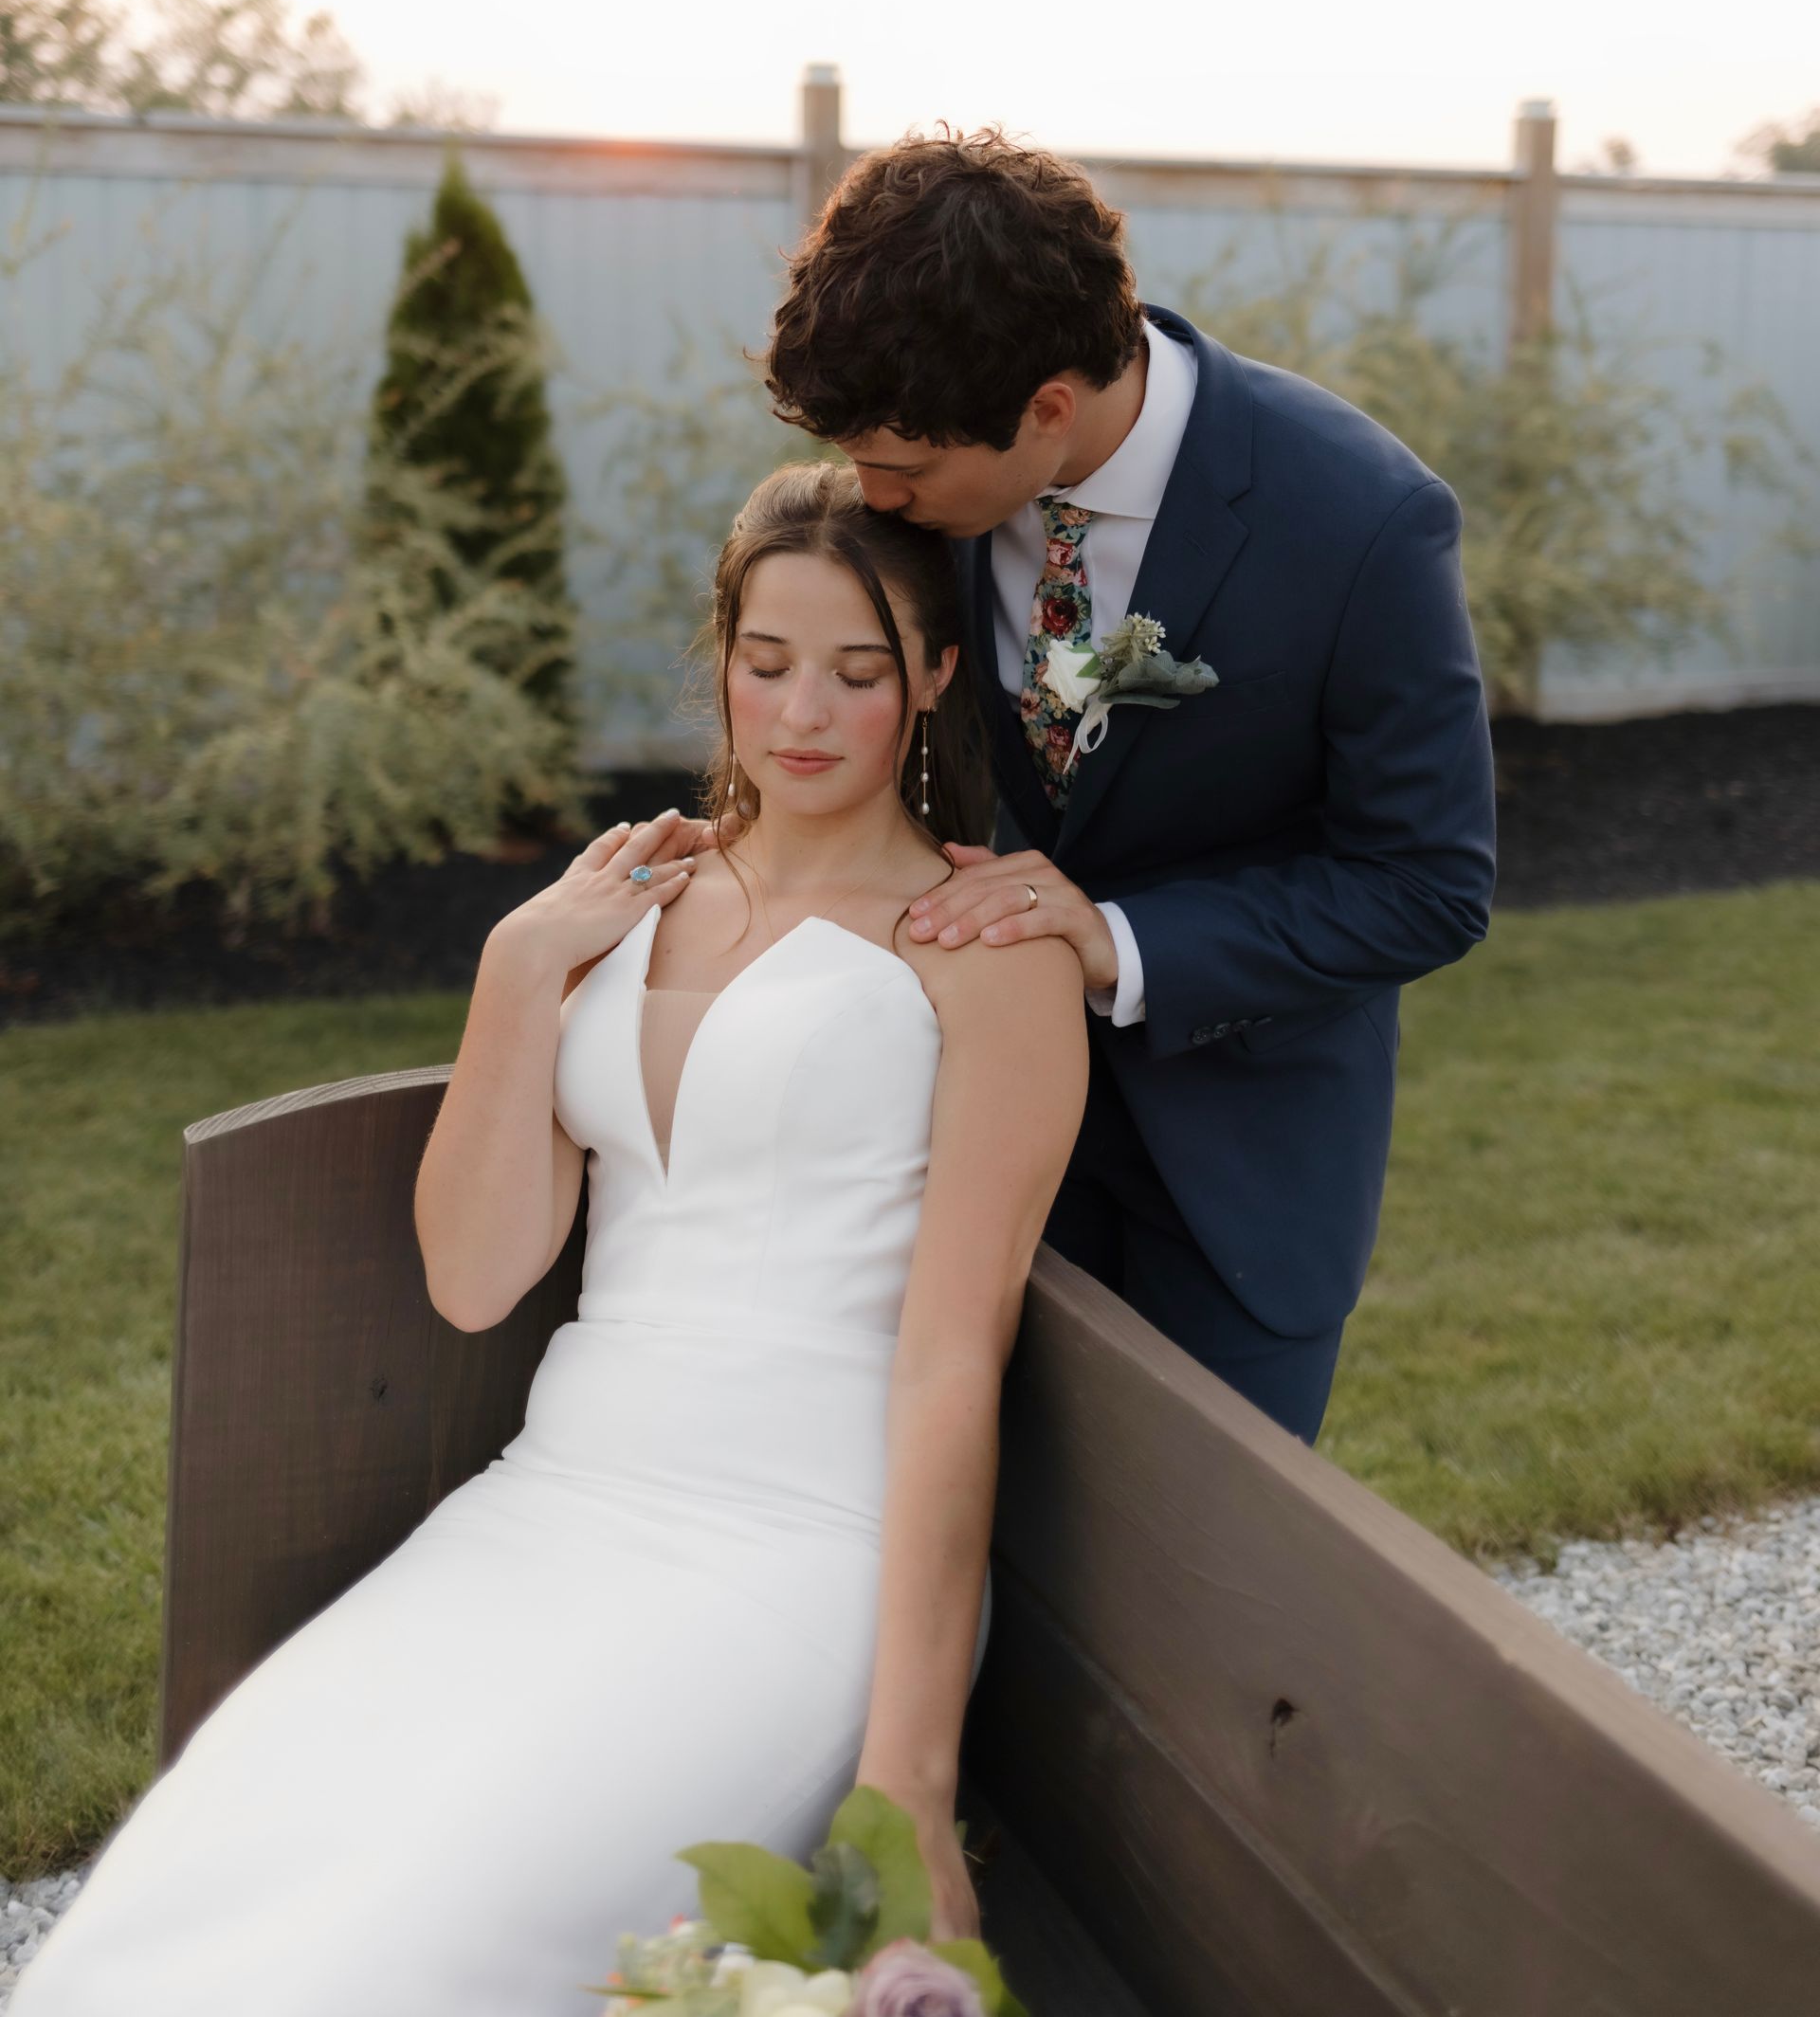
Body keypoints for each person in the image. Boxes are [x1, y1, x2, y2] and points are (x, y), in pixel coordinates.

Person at [17, 464, 1089, 2017]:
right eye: (766, 662)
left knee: (438, 1919)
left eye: (858, 674)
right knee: (226, 1848)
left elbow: (949, 1360)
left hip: (801, 1545)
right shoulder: (629, 904)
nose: (802, 714)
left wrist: (909, 1784)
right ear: (720, 656)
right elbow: (473, 1275)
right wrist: (520, 970)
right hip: (553, 1505)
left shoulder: (981, 948)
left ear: (931, 681)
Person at [765, 127, 1498, 1445]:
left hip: (1239, 1176)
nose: (872, 497)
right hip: (957, 1136)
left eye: (908, 469)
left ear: (1048, 407)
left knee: (1199, 1603)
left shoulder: (1364, 523)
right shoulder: (924, 502)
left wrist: (1117, 943)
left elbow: (1427, 886)